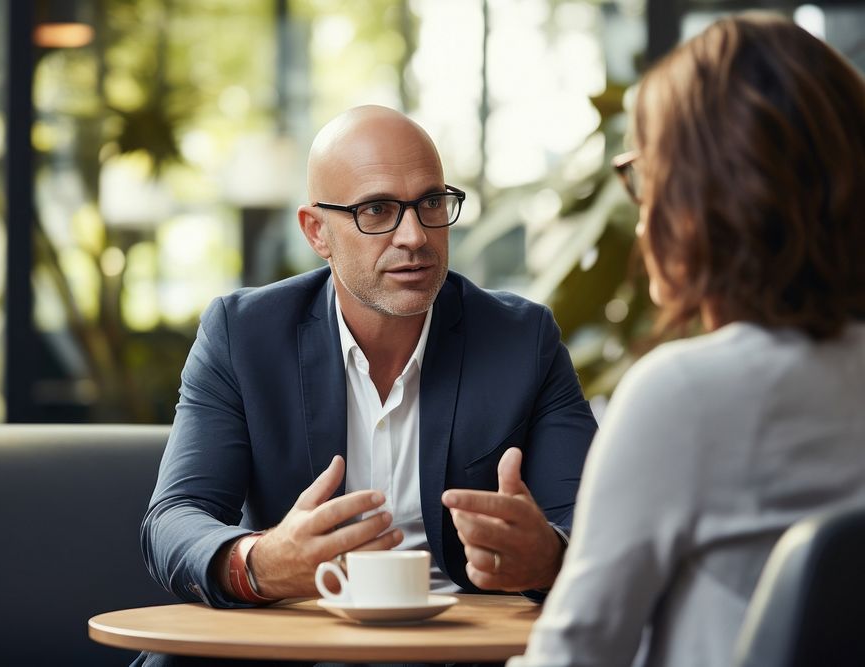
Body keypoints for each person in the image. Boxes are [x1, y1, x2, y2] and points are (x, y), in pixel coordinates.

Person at [140, 104, 597, 627]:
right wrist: (261, 565)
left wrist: (548, 557)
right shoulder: (242, 335)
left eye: (430, 202)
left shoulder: (521, 339)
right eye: (377, 210)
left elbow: (588, 523)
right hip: (295, 645)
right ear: (317, 232)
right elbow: (173, 519)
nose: (415, 236)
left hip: (464, 646)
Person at [507, 13, 865, 667]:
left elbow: (575, 655)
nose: (642, 222)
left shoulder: (686, 394)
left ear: (706, 196)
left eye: (646, 177)